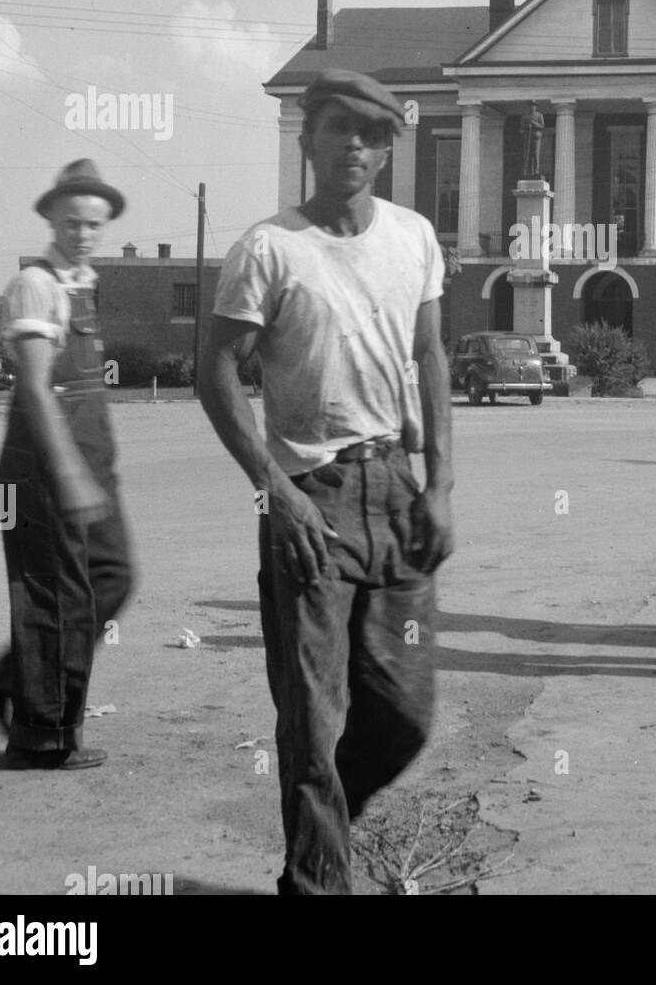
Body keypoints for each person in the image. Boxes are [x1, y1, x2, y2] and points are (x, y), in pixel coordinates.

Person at [199, 69, 454, 896]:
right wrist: (276, 488)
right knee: (314, 720)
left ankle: (325, 835)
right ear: (308, 140)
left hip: (396, 490)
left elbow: (430, 356)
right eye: (337, 128)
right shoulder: (269, 248)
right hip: (310, 499)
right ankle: (316, 883)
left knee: (406, 714)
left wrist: (440, 482)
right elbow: (216, 374)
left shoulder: (414, 236)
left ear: (387, 150)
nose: (354, 144)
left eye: (372, 134)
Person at [0, 160, 135, 768]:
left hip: (87, 464)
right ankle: (42, 736)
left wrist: (95, 469)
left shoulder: (82, 281)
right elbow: (36, 389)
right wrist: (68, 472)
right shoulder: (37, 285)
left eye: (94, 223)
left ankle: (5, 681)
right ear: (50, 217)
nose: (83, 233)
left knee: (112, 576)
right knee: (54, 597)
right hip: (42, 465)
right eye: (71, 221)